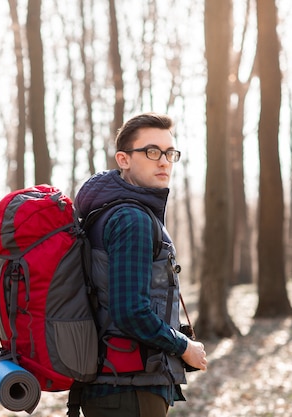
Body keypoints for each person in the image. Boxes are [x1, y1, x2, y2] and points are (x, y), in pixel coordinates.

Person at [73, 112, 207, 417]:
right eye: (151, 151)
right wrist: (184, 346)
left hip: (114, 381)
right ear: (124, 159)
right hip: (128, 389)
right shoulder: (131, 219)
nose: (163, 161)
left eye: (169, 153)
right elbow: (130, 310)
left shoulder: (108, 211)